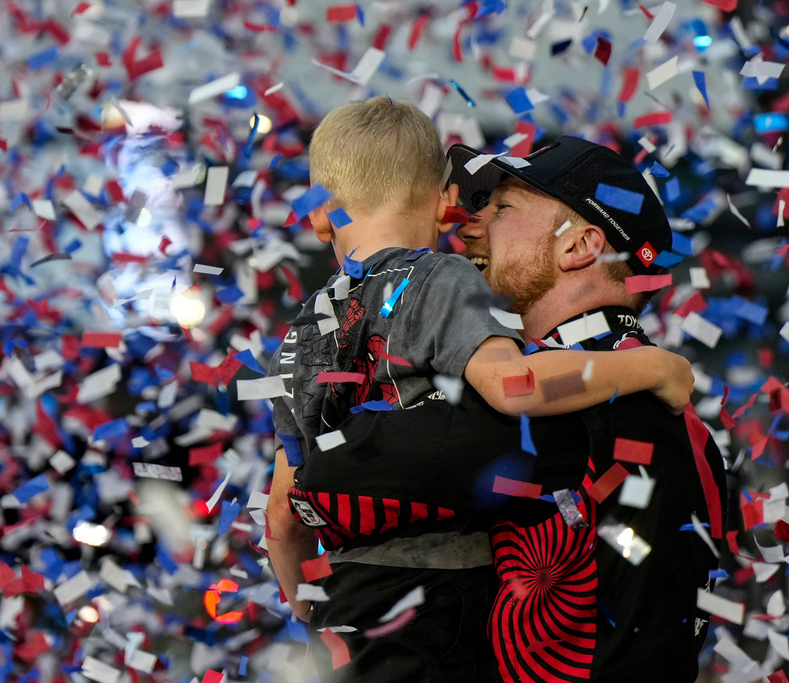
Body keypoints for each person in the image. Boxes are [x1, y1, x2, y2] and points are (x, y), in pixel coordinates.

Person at [264, 100, 696, 681]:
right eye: (469, 202)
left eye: (502, 207)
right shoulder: (621, 377)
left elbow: (323, 475)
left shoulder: (607, 390)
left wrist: (310, 592)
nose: (467, 220)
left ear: (578, 246)